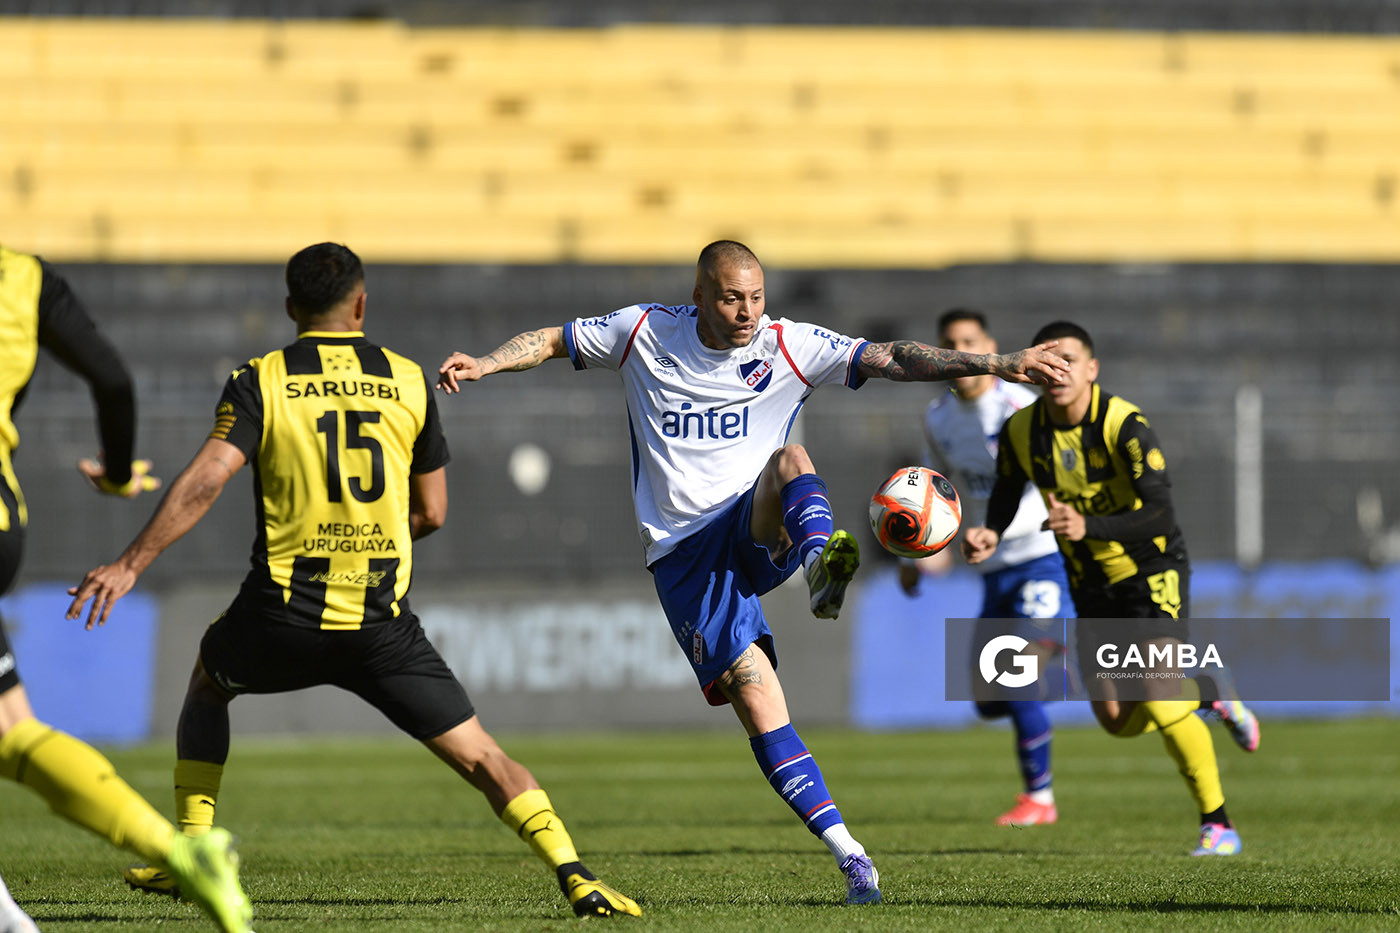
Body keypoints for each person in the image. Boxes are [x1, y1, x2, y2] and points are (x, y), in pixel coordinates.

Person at [435, 240, 1070, 904]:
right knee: (756, 696)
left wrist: (1000, 362)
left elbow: (892, 358)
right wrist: (484, 364)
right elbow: (551, 340)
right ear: (701, 295)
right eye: (733, 298)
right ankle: (851, 855)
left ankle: (821, 562)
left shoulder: (787, 343)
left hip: (759, 523)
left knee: (791, 457)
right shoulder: (645, 331)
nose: (747, 313)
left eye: (757, 297)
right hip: (684, 554)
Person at [65, 243, 640, 919]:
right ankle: (575, 872)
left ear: (289, 308)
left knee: (207, 683)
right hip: (378, 624)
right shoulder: (406, 379)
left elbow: (210, 476)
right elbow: (432, 511)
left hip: (280, 612)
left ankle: (192, 850)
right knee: (484, 756)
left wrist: (129, 563)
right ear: (361, 304)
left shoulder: (261, 378)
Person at [0, 244, 251, 933]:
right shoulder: (21, 275)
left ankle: (178, 852)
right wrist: (114, 473)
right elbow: (112, 379)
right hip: (0, 517)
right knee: (8, 728)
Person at [961, 320, 1260, 857]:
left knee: (1159, 690)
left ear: (1092, 369)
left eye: (1070, 360)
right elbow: (1007, 490)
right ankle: (1212, 690)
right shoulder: (1022, 431)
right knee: (1118, 722)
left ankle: (1218, 824)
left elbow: (1162, 515)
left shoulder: (1125, 425)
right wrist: (991, 530)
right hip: (1089, 581)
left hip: (1152, 570)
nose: (1059, 371)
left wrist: (1087, 526)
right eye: (1048, 361)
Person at [899, 308, 1073, 827]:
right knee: (987, 700)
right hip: (994, 570)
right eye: (952, 344)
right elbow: (940, 500)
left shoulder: (1023, 407)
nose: (964, 354)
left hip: (1045, 561)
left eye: (970, 341)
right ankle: (1061, 661)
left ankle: (1039, 798)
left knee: (1015, 681)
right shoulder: (937, 420)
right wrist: (919, 556)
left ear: (990, 345)